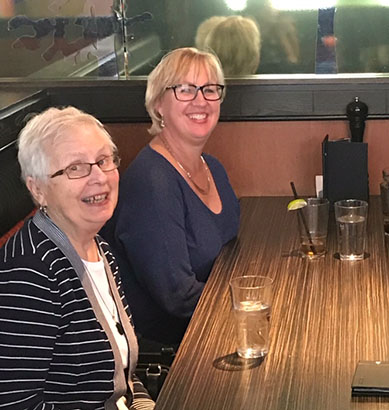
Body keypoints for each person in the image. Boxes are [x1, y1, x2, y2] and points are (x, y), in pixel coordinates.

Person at [0, 107, 154, 409]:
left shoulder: (98, 246)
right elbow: (15, 403)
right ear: (38, 189)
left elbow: (125, 375)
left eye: (103, 160)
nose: (98, 177)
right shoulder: (29, 274)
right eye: (75, 167)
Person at [103, 47, 240, 347]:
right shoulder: (153, 182)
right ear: (158, 104)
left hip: (213, 321)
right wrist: (247, 303)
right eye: (185, 90)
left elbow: (230, 250)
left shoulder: (212, 168)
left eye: (210, 89)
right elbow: (177, 298)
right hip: (174, 345)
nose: (201, 100)